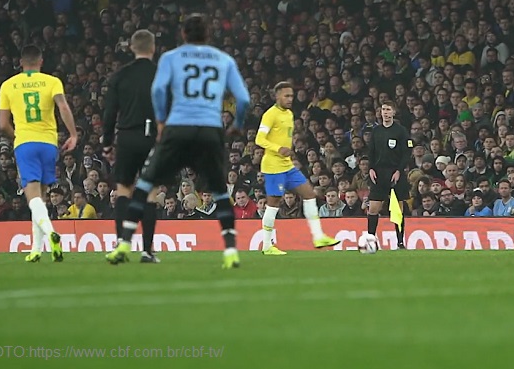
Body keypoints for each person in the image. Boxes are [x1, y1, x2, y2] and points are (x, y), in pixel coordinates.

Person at [107, 14, 250, 269]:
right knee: (219, 190)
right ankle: (230, 251)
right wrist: (237, 124)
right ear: (208, 34)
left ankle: (124, 243)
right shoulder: (223, 59)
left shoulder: (170, 58)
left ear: (183, 34)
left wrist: (161, 121)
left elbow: (158, 90)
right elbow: (244, 98)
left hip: (176, 128)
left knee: (144, 184)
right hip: (210, 128)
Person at [0, 44, 78, 263]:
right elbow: (63, 108)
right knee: (41, 198)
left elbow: (3, 124)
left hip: (26, 142)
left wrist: (17, 136)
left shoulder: (8, 85)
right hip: (49, 143)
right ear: (41, 61)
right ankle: (36, 249)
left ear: (21, 63)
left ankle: (52, 232)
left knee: (32, 196)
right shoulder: (52, 82)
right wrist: (73, 134)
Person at [254, 81, 340, 255]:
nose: (290, 99)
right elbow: (259, 139)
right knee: (273, 205)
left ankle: (318, 236)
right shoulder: (270, 115)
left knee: (309, 193)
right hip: (273, 167)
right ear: (277, 96)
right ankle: (267, 245)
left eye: (291, 96)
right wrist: (278, 148)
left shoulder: (289, 114)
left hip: (287, 165)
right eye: (286, 96)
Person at [102, 29, 160, 263]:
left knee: (123, 190)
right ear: (153, 48)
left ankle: (121, 245)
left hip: (126, 137)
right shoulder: (162, 74)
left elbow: (109, 113)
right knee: (150, 193)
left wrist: (107, 143)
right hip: (153, 138)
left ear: (132, 48)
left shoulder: (120, 75)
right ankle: (147, 251)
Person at [364, 101, 413, 249]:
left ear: (393, 112)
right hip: (378, 173)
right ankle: (371, 241)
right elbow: (371, 151)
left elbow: (406, 153)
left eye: (388, 110)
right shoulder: (376, 131)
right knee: (373, 208)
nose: (385, 112)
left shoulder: (401, 131)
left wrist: (399, 170)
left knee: (397, 209)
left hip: (395, 172)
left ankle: (400, 242)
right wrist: (371, 168)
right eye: (383, 109)